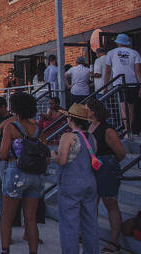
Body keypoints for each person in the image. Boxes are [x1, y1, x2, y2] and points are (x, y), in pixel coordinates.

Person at [0, 92, 45, 254]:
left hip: (16, 173)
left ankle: (5, 250)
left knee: (7, 217)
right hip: (36, 176)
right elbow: (46, 156)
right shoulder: (38, 129)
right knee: (30, 219)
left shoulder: (11, 127)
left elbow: (3, 155)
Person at [51, 103, 99, 254]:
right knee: (90, 222)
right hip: (90, 182)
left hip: (71, 183)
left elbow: (63, 160)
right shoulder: (92, 137)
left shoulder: (68, 136)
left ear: (70, 118)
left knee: (69, 223)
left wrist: (53, 156)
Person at [87, 98, 126, 254]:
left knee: (110, 203)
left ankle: (114, 242)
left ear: (94, 111)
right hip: (93, 166)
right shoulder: (90, 126)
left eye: (87, 108)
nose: (85, 111)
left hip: (106, 166)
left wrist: (108, 164)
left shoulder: (107, 130)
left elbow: (121, 153)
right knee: (91, 203)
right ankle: (89, 234)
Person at [104, 33, 141, 134]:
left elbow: (107, 72)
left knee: (122, 106)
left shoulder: (111, 53)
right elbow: (138, 71)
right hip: (132, 83)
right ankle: (129, 128)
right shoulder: (135, 53)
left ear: (117, 43)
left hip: (119, 83)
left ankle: (127, 129)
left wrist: (105, 86)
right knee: (131, 108)